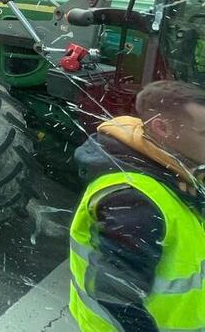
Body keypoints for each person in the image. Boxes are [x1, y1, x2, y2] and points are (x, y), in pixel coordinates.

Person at [69, 80, 205, 332]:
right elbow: (114, 297)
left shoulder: (178, 170)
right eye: (204, 133)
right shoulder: (134, 201)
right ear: (162, 128)